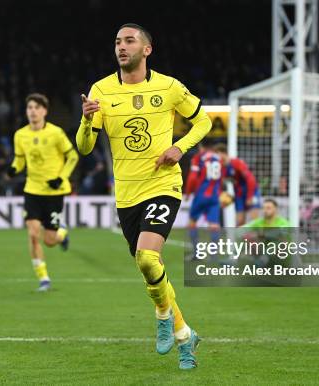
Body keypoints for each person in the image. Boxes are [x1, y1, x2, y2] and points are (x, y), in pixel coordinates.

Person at [76, 23, 212, 370]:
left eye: (129, 40)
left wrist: (179, 148)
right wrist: (86, 120)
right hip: (126, 193)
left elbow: (204, 122)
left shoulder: (168, 87)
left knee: (149, 258)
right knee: (146, 266)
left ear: (146, 49)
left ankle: (163, 316)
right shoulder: (101, 90)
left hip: (163, 184)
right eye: (117, 41)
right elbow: (85, 146)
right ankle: (184, 335)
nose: (121, 47)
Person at [8, 93, 78, 292]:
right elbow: (20, 159)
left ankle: (61, 234)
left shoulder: (56, 133)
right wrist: (14, 168)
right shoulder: (20, 135)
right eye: (29, 107)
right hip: (32, 190)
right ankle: (44, 279)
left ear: (45, 111)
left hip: (54, 192)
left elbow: (72, 156)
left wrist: (61, 178)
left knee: (49, 241)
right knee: (32, 234)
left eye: (37, 108)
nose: (33, 111)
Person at [185, 139, 224, 254]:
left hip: (201, 194)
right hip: (215, 195)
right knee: (214, 225)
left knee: (191, 223)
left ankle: (196, 253)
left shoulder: (198, 157)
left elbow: (192, 178)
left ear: (201, 146)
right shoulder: (218, 159)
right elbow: (220, 178)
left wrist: (188, 193)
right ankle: (214, 254)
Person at [214, 144, 261, 226]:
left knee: (255, 220)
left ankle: (260, 238)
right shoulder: (221, 167)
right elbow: (220, 184)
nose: (216, 158)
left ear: (223, 153)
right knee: (239, 221)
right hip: (239, 194)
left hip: (251, 191)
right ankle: (240, 238)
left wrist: (249, 196)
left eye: (217, 154)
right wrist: (222, 197)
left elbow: (251, 180)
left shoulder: (237, 163)